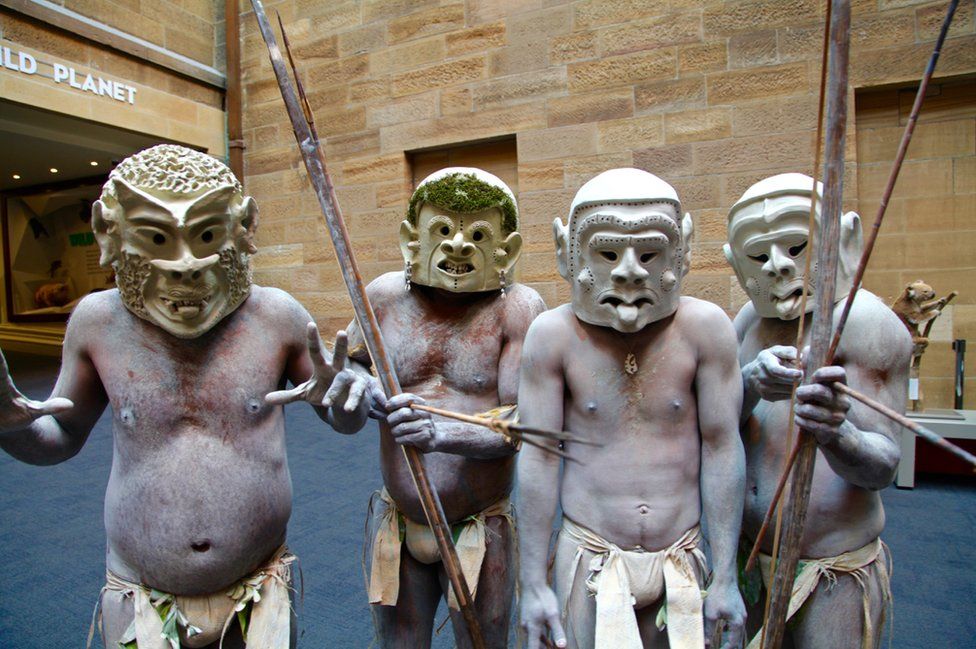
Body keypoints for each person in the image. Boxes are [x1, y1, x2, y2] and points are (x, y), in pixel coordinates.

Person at [0, 144, 371, 649]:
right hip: (140, 590)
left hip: (257, 583)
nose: (186, 265)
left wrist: (350, 397)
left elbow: (341, 418)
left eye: (207, 236)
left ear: (243, 228)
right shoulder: (97, 323)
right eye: (156, 237)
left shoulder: (277, 316)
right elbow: (59, 436)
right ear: (111, 232)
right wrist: (8, 422)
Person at [518, 168, 746, 649]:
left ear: (679, 251)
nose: (629, 270)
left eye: (648, 253)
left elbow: (723, 447)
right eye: (606, 252)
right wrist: (533, 584)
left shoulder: (707, 329)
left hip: (681, 554)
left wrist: (725, 576)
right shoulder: (552, 336)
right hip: (591, 553)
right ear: (569, 252)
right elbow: (537, 457)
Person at [352, 167, 546, 648]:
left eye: (477, 234)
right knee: (399, 643)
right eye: (442, 230)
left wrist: (443, 434)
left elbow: (525, 423)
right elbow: (352, 367)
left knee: (482, 642)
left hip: (479, 523)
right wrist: (363, 388)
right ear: (411, 238)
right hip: (399, 515)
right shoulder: (382, 296)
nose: (458, 246)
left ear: (508, 248)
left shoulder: (518, 308)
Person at [724, 173, 910, 649]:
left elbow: (884, 465)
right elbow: (722, 423)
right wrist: (750, 384)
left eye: (798, 247)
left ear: (841, 240)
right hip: (753, 553)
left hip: (831, 567)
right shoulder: (748, 321)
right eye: (759, 256)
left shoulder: (865, 323)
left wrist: (836, 432)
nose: (779, 267)